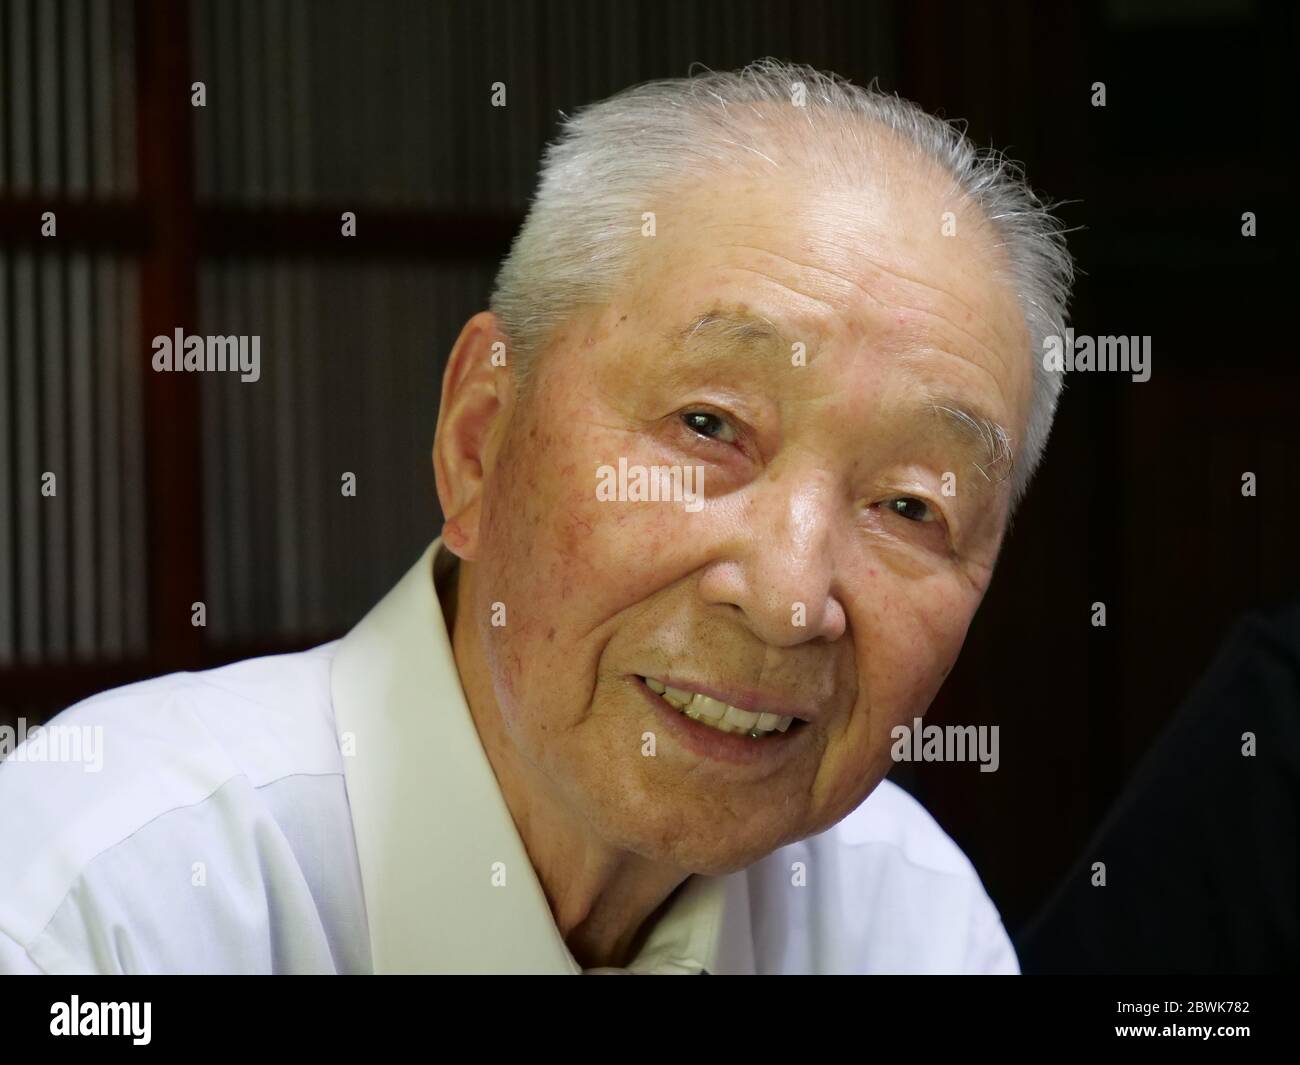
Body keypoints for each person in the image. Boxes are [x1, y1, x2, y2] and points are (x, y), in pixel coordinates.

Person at [0, 59, 1073, 974]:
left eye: (907, 504)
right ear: (478, 440)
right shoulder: (104, 898)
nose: (791, 598)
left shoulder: (909, 925)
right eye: (706, 425)